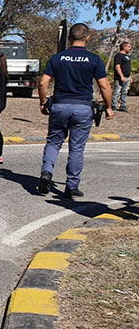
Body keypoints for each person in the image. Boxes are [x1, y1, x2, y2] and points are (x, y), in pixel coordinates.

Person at [37, 23, 114, 198]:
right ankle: (71, 186)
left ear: (70, 38)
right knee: (77, 148)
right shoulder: (94, 60)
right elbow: (104, 85)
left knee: (53, 142)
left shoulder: (58, 58)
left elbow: (43, 83)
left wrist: (43, 102)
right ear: (88, 38)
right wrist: (109, 107)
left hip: (60, 106)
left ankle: (47, 173)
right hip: (82, 107)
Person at [112, 40, 132, 112]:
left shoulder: (127, 56)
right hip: (120, 77)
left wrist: (130, 76)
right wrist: (121, 76)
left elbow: (128, 67)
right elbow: (117, 66)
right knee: (116, 91)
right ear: (124, 47)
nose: (130, 48)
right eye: (129, 47)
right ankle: (114, 106)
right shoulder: (118, 56)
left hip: (127, 77)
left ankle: (123, 106)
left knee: (124, 91)